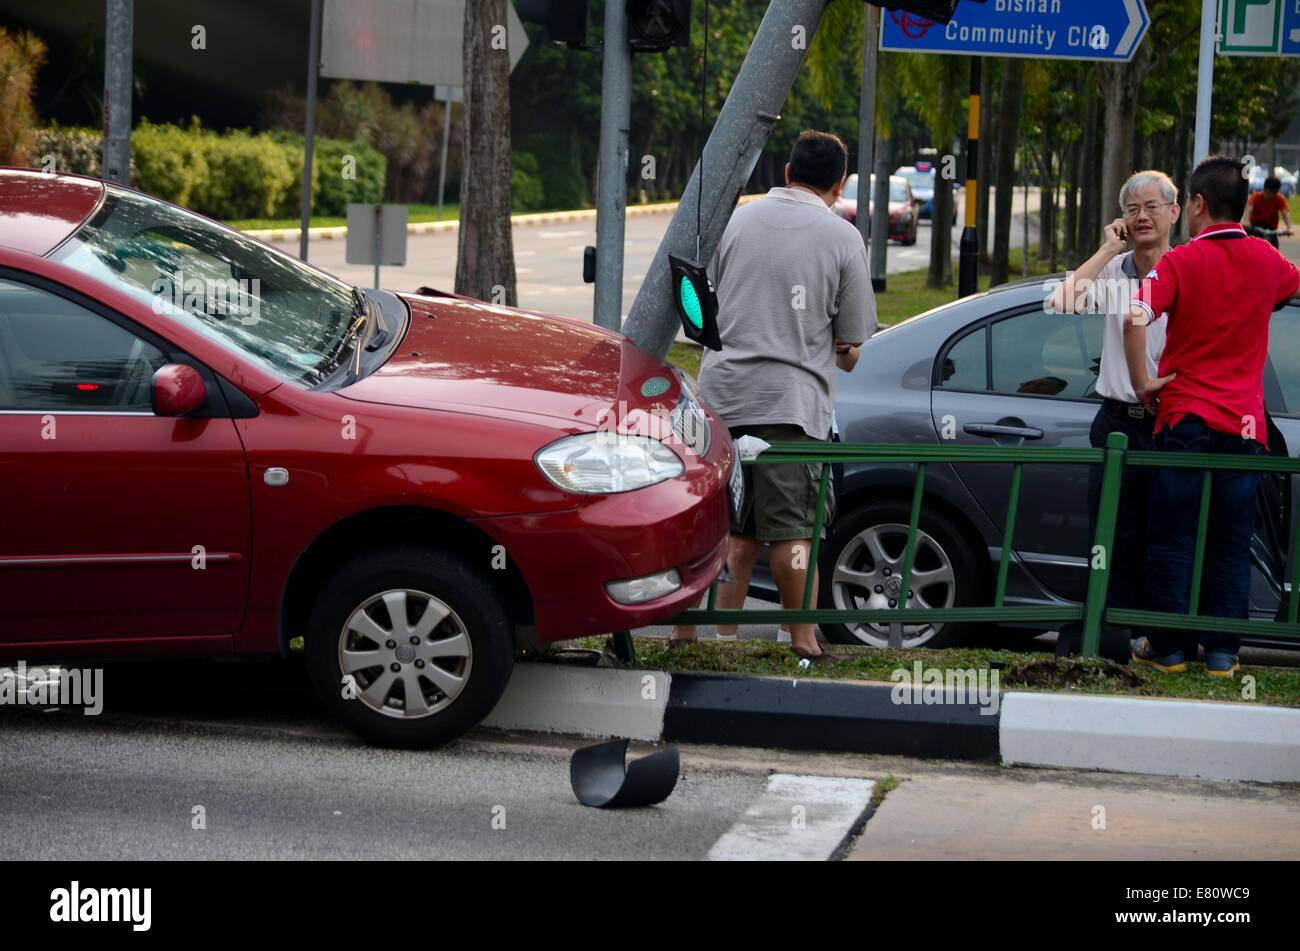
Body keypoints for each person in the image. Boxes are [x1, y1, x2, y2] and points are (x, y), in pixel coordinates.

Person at [669, 130, 876, 662]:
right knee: (794, 532)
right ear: (840, 183)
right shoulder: (843, 238)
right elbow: (850, 341)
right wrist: (838, 350)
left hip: (721, 398)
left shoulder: (735, 220)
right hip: (791, 406)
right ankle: (803, 640)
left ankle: (694, 636)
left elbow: (702, 298)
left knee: (723, 529)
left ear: (786, 173)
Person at [1125, 156, 1300, 677]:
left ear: (1196, 205)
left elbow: (1136, 316)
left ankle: (1169, 650)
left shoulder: (1178, 263)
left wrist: (1142, 382)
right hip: (1244, 427)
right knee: (1229, 542)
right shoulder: (1269, 262)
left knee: (1173, 538)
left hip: (1184, 420)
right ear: (1245, 206)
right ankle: (1223, 655)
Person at [1048, 170, 1180, 653]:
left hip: (1171, 424)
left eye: (1152, 207)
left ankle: (1160, 638)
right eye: (1132, 209)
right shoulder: (1115, 271)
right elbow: (1061, 302)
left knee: (1165, 538)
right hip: (1117, 423)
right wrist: (1106, 249)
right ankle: (1113, 638)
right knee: (1111, 538)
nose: (1142, 216)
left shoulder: (1186, 269)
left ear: (1175, 211)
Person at [1242, 175, 1294, 247]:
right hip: (1254, 227)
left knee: (1275, 251)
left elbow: (1285, 214)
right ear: (1264, 189)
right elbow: (1248, 210)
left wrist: (1289, 228)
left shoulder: (1280, 199)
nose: (1271, 195)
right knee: (1250, 247)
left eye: (1275, 192)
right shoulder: (1256, 197)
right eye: (1269, 192)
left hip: (1271, 229)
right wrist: (1246, 222)